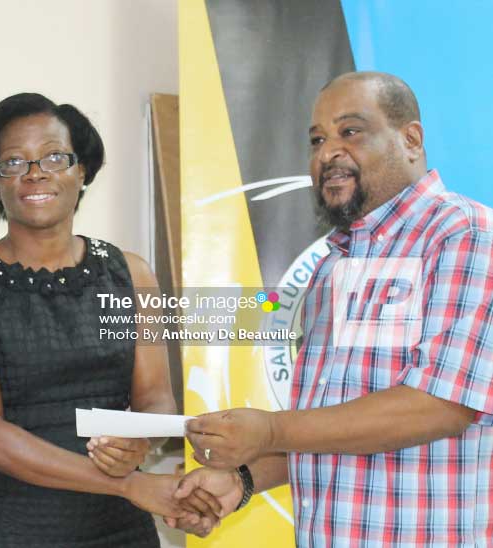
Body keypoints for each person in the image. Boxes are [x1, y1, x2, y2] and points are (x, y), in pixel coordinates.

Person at [171, 71, 493, 546]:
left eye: (350, 131)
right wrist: (242, 480)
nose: (327, 153)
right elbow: (333, 427)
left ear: (411, 139)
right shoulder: (332, 265)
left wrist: (270, 429)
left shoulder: (463, 234)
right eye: (317, 139)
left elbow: (440, 405)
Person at [0, 92, 203, 547]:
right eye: (14, 162)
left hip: (121, 528)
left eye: (54, 157)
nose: (35, 172)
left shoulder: (133, 274)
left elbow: (157, 400)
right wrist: (128, 484)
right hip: (11, 528)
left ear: (82, 170)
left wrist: (138, 444)